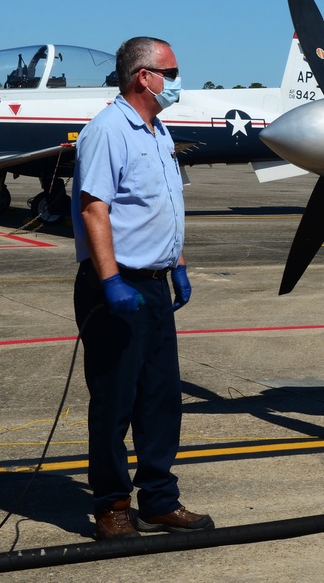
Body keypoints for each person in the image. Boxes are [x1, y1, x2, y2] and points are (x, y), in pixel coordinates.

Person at [72, 36, 213, 540]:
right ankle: (112, 505)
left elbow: (161, 206)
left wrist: (176, 263)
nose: (177, 81)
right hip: (117, 286)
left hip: (153, 286)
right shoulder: (108, 131)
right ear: (143, 78)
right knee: (115, 400)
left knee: (160, 397)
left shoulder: (156, 130)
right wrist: (109, 280)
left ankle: (159, 499)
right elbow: (95, 209)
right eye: (170, 73)